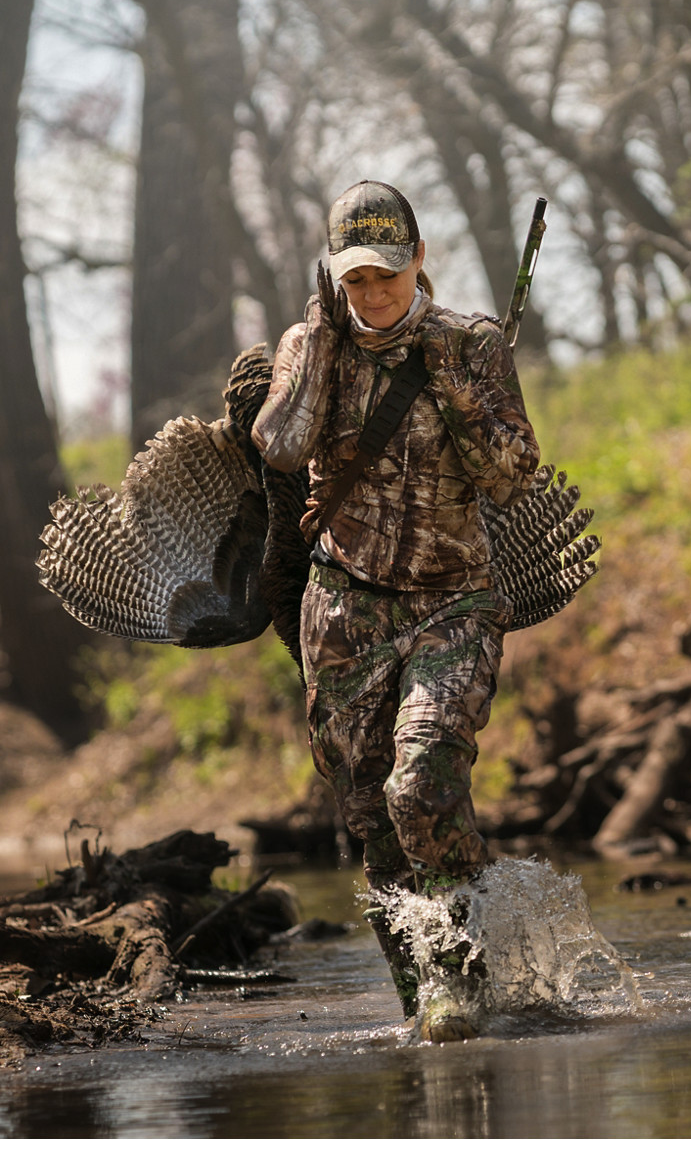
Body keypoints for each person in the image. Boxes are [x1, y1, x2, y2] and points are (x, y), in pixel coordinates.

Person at [251, 180, 541, 1037]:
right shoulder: (314, 340)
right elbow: (280, 443)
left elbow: (511, 474)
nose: (372, 293)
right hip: (343, 612)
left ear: (419, 258)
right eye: (354, 279)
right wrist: (319, 346)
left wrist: (451, 382)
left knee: (422, 784)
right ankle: (425, 1002)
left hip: (453, 603)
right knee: (372, 821)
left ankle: (463, 978)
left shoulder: (473, 342)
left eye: (386, 272)